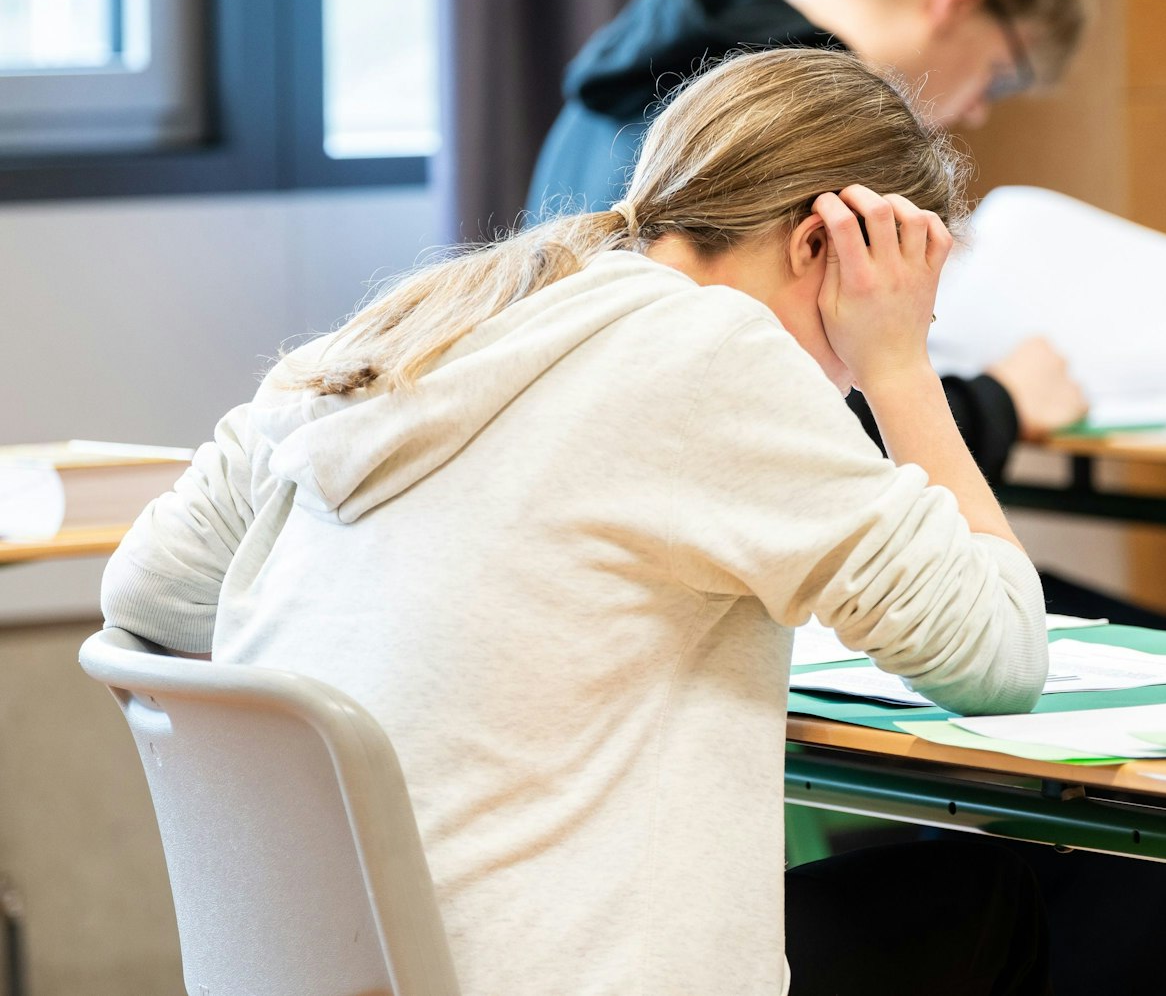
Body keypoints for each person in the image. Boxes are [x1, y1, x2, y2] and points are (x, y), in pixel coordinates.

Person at [100, 49, 1054, 996]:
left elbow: (149, 592)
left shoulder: (411, 327)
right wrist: (896, 364)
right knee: (982, 890)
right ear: (823, 247)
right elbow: (995, 658)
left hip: (329, 971)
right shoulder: (714, 352)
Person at [529, 0, 1166, 995]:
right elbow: (795, 443)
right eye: (999, 73)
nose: (972, 110)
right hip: (605, 886)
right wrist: (977, 394)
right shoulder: (786, 130)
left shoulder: (627, 89)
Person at [529, 0, 1098, 471]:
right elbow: (772, 424)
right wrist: (999, 403)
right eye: (1000, 71)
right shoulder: (802, 127)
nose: (978, 109)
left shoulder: (636, 69)